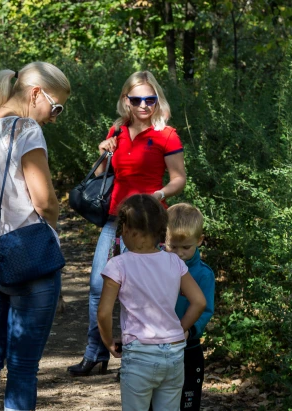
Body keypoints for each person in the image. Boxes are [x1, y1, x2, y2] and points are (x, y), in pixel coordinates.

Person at [0, 62, 69, 411]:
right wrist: (54, 225)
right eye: (57, 107)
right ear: (36, 93)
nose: (54, 116)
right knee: (22, 367)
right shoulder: (27, 131)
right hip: (28, 261)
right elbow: (45, 202)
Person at [68, 71, 187, 376]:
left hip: (149, 222)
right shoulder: (117, 131)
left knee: (145, 290)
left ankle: (139, 354)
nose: (144, 105)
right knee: (98, 286)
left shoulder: (168, 135)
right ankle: (96, 353)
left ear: (157, 100)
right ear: (126, 101)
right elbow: (99, 176)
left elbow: (179, 180)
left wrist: (158, 193)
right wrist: (104, 152)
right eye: (137, 99)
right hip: (115, 219)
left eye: (150, 98)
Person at [97, 194, 206, 410]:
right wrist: (179, 328)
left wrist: (109, 342)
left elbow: (103, 313)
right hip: (175, 354)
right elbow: (199, 302)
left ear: (127, 229)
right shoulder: (174, 261)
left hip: (139, 355)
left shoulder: (118, 265)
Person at [154, 203, 215, 411]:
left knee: (187, 403)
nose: (178, 253)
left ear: (199, 241)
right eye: (172, 246)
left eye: (186, 247)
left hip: (188, 349)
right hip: (156, 348)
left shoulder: (203, 274)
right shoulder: (155, 266)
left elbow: (206, 310)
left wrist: (191, 330)